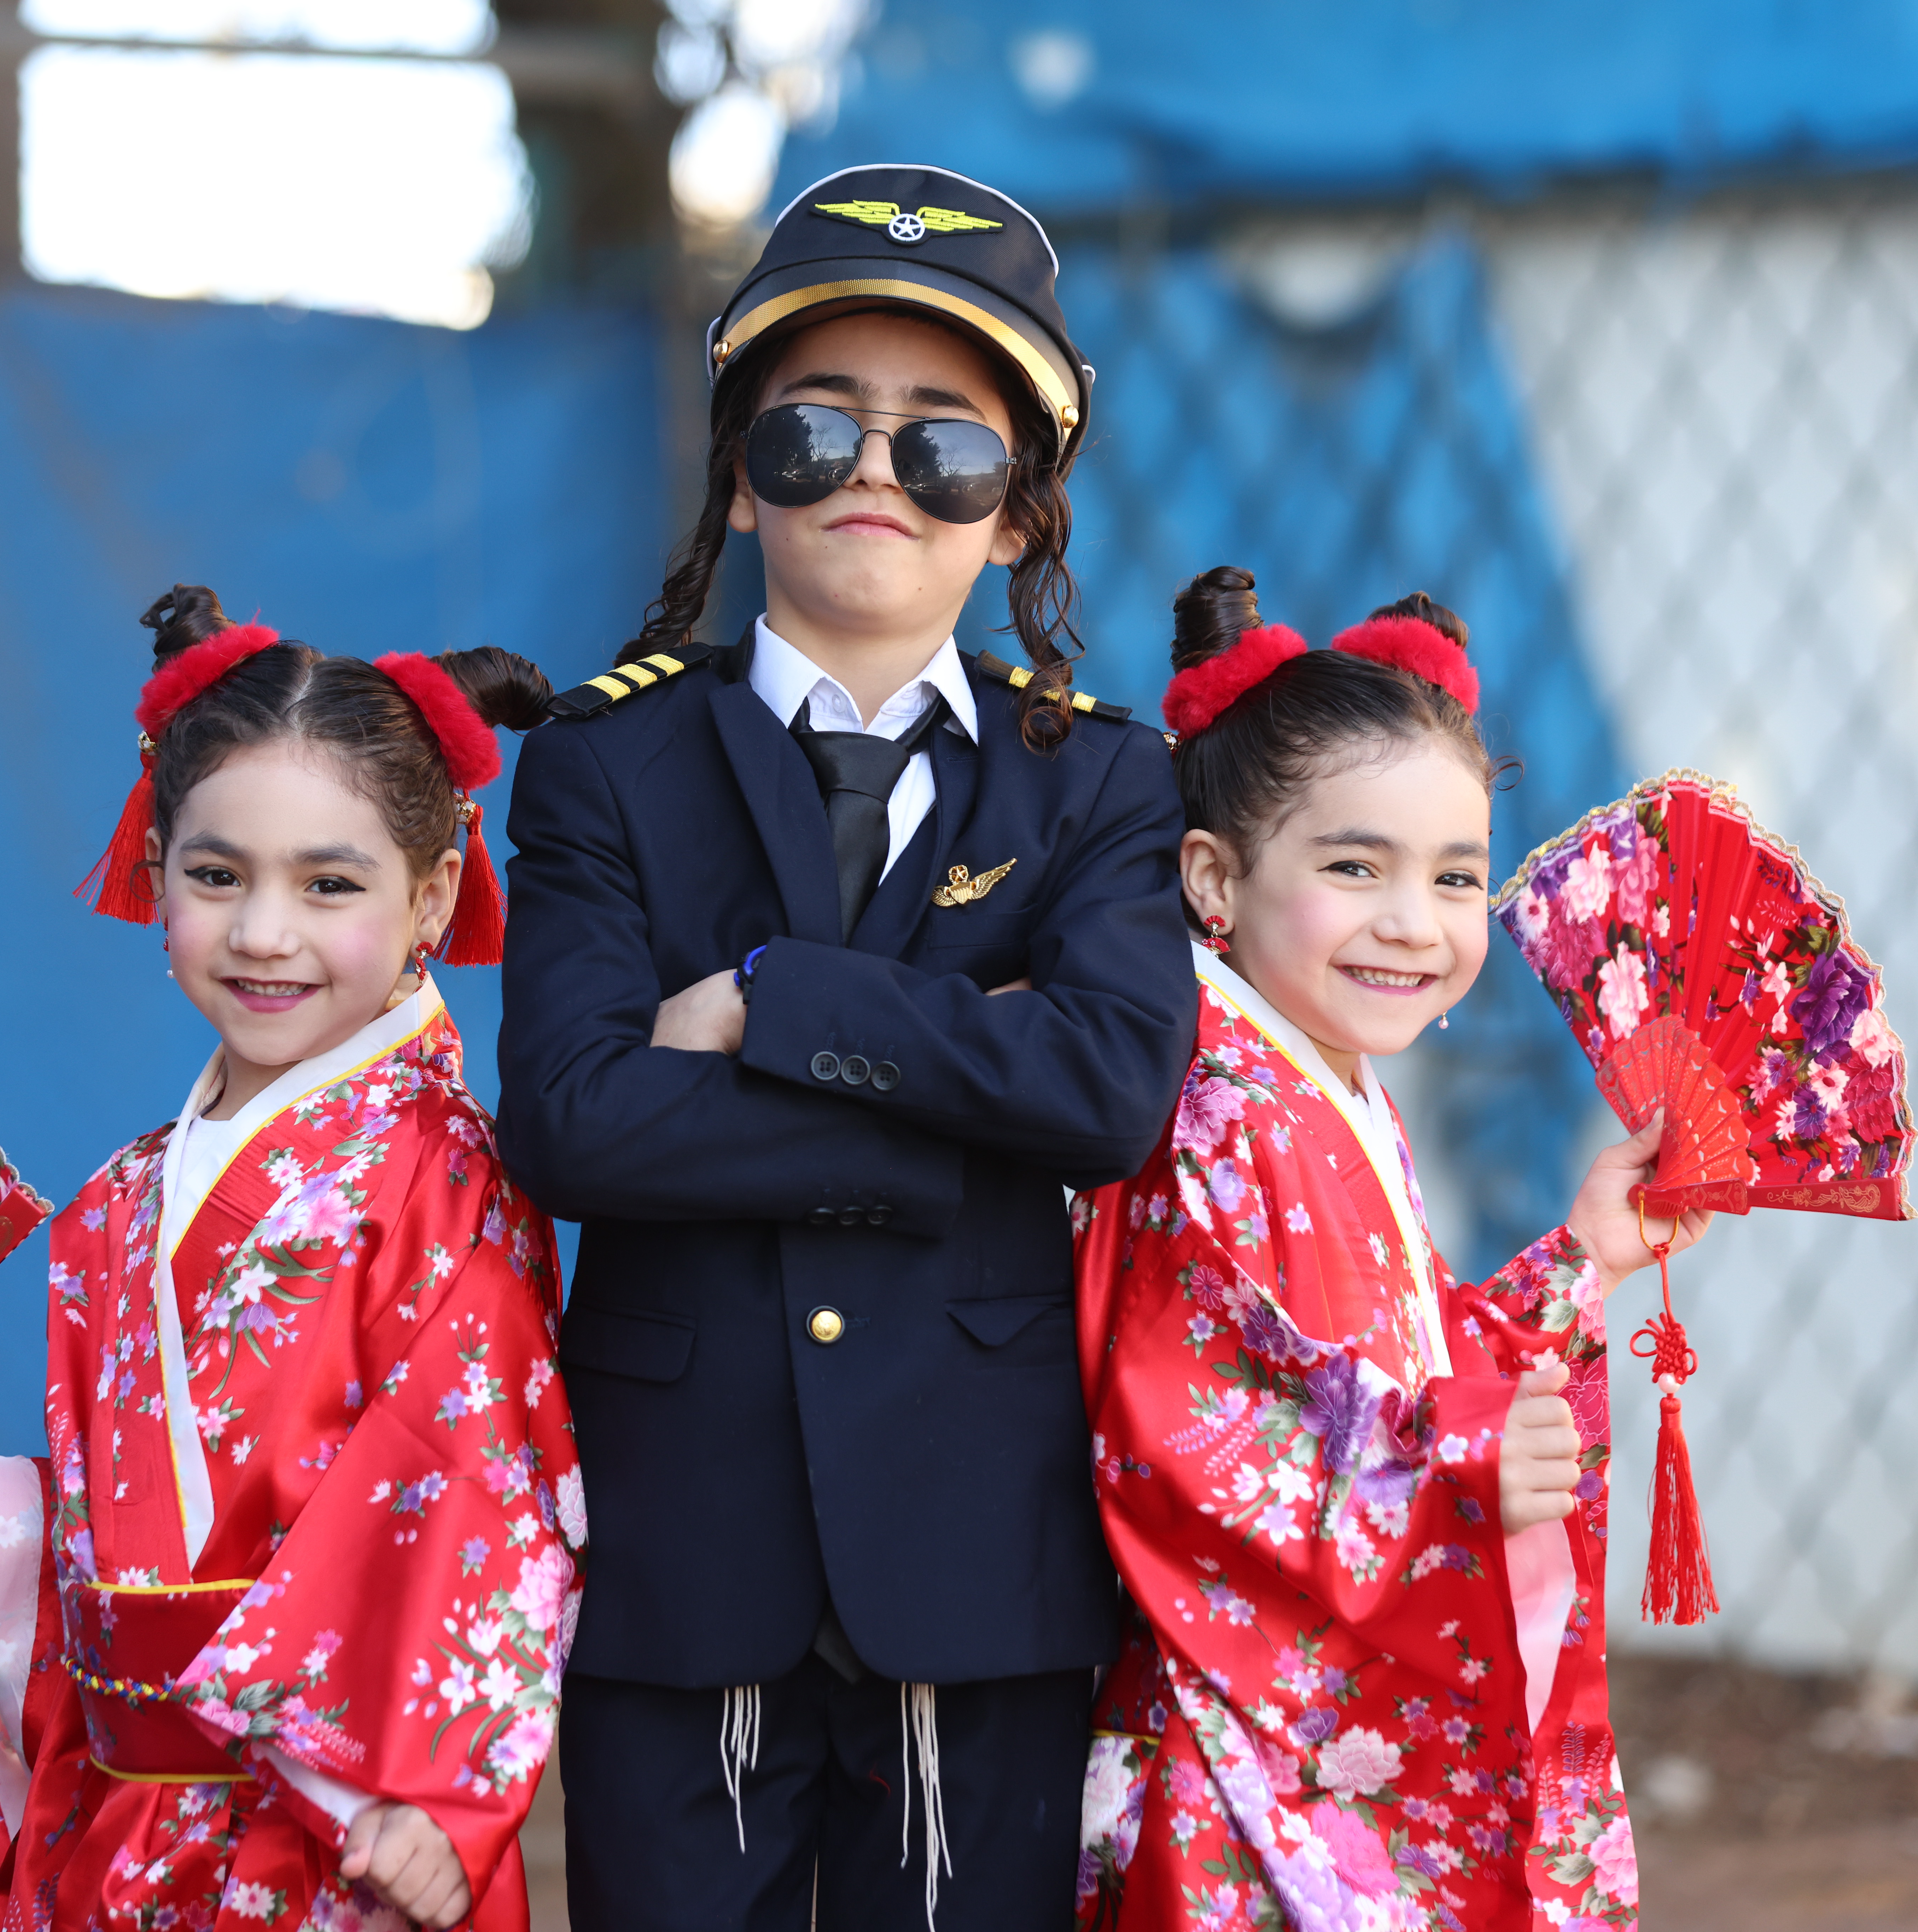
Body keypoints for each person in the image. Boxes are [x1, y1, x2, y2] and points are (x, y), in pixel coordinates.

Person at [497, 164, 1199, 1931]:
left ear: (1020, 516)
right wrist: (972, 1103)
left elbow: (1109, 1096)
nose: (875, 475)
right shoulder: (603, 764)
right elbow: (575, 1123)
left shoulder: (1101, 779)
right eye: (815, 432)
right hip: (684, 1552)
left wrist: (760, 1008)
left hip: (981, 1546)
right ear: (741, 480)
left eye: (944, 447)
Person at [0, 586, 581, 1932]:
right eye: (217, 873)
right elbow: (118, 1514)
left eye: (331, 884)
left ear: (435, 898)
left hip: (342, 1817)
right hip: (122, 1809)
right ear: (155, 868)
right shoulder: (127, 1200)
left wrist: (439, 1791)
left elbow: (482, 1483)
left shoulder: (441, 1175)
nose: (261, 931)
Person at [1070, 570, 1712, 1932]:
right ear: (1215, 878)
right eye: (1355, 867)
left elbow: (1392, 1357)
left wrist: (1577, 1259)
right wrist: (1462, 1454)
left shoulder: (1323, 1083)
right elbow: (1195, 1436)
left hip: (1304, 1731)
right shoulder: (1226, 1108)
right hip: (1245, 1758)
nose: (1415, 921)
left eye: (1458, 877)